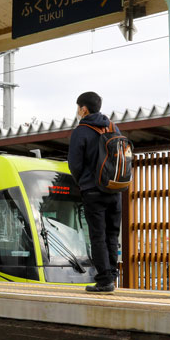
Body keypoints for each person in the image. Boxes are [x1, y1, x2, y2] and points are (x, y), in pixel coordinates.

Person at [68, 92, 121, 293]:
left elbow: (75, 164)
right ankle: (112, 276)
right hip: (115, 189)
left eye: (78, 107)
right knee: (112, 234)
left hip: (93, 190)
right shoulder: (113, 127)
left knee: (97, 236)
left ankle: (104, 280)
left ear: (83, 109)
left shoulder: (80, 131)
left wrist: (83, 183)